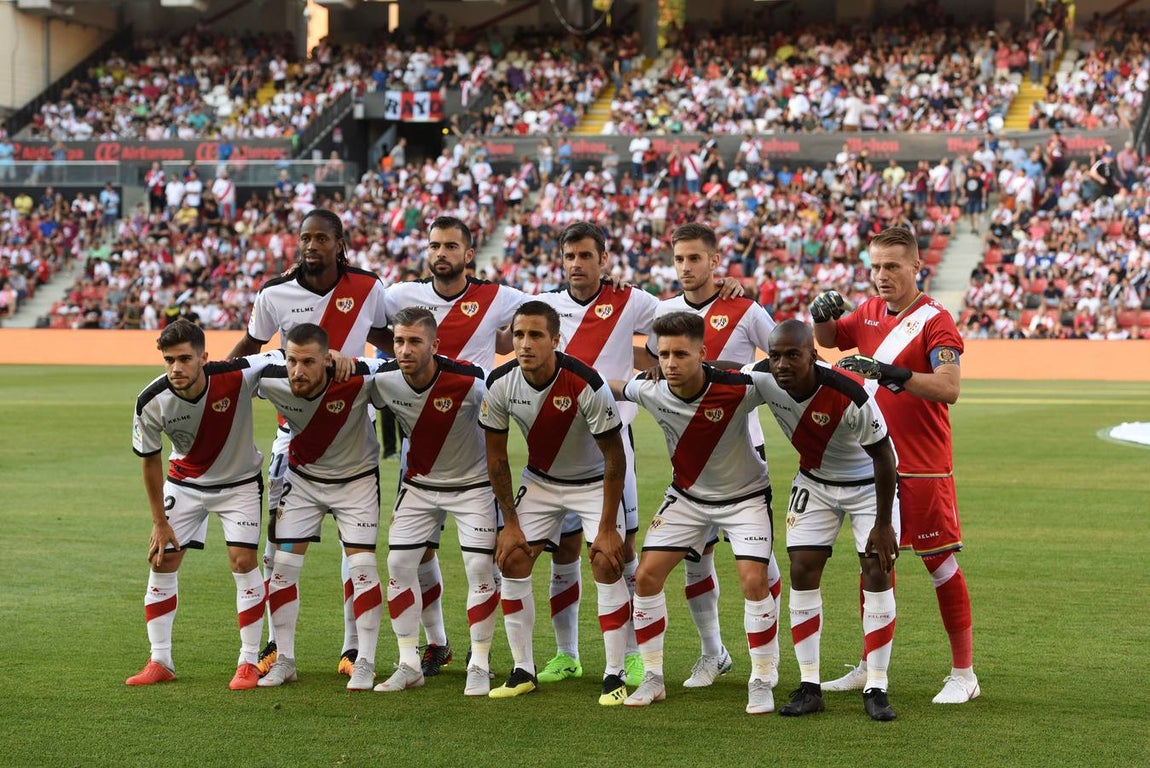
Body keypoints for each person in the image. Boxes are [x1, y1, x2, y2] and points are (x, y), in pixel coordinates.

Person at [812, 226, 978, 704]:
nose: (882, 276)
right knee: (874, 565)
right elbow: (829, 341)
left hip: (922, 465)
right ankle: (870, 666)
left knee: (940, 564)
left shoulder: (935, 321)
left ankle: (964, 674)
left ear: (916, 266)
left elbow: (949, 388)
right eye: (876, 267)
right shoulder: (865, 311)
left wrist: (892, 374)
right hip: (871, 464)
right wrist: (820, 315)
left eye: (892, 267)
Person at [228, 208, 391, 680]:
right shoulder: (274, 292)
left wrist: (369, 366)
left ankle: (352, 648)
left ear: (339, 243)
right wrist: (215, 381)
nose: (311, 246)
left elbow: (384, 337)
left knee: (354, 550)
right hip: (291, 439)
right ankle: (280, 651)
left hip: (350, 435)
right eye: (305, 238)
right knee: (278, 553)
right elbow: (251, 346)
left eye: (322, 238)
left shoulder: (367, 286)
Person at [383, 215, 530, 677]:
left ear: (469, 254)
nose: (440, 253)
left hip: (473, 440)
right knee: (417, 554)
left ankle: (481, 655)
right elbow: (366, 321)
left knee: (479, 563)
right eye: (434, 245)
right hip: (421, 451)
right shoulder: (401, 296)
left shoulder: (497, 296)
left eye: (450, 246)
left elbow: (552, 311)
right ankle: (437, 644)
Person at [613, 312, 779, 714]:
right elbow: (613, 387)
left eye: (681, 355)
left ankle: (762, 679)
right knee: (646, 575)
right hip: (687, 498)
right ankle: (653, 678)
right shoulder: (650, 389)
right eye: (664, 354)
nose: (670, 363)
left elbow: (783, 372)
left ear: (702, 354)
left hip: (745, 497)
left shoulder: (739, 387)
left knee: (753, 579)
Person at [648, 222, 780, 690]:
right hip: (689, 453)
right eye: (679, 259)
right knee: (694, 557)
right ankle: (712, 653)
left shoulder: (744, 308)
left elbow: (780, 355)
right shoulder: (661, 310)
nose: (686, 267)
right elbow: (652, 368)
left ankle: (769, 661)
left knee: (761, 567)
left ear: (714, 260)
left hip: (743, 448)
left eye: (695, 258)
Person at [748, 320, 899, 721]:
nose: (782, 363)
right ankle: (810, 685)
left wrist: (884, 525)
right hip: (814, 483)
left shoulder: (849, 393)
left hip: (869, 484)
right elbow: (724, 372)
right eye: (775, 355)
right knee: (802, 569)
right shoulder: (763, 377)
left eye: (793, 355)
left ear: (813, 355)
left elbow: (886, 458)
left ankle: (877, 686)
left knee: (876, 570)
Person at [480, 302, 630, 704]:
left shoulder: (586, 383)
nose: (525, 344)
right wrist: (509, 523)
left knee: (604, 559)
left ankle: (614, 674)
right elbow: (496, 458)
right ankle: (523, 670)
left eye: (535, 335)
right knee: (512, 557)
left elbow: (615, 458)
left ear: (555, 340)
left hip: (593, 482)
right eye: (518, 335)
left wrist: (607, 527)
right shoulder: (500, 383)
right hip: (541, 482)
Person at [531, 221, 659, 688]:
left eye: (587, 255)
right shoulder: (545, 307)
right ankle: (567, 656)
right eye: (570, 256)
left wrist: (653, 367)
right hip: (555, 446)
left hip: (610, 445)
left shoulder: (632, 300)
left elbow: (681, 322)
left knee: (619, 548)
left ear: (604, 260)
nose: (577, 264)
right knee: (563, 551)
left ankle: (632, 657)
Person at [127, 320, 280, 691]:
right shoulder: (151, 400)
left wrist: (333, 358)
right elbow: (150, 461)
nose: (176, 368)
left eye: (184, 359)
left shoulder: (238, 373)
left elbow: (287, 354)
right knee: (163, 559)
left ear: (204, 358)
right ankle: (160, 659)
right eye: (169, 360)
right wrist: (159, 521)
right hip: (185, 484)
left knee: (243, 562)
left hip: (240, 484)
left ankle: (247, 662)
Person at [367, 307, 498, 696]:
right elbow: (347, 376)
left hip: (473, 485)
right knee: (398, 564)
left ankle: (480, 662)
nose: (404, 350)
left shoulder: (471, 381)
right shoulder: (384, 378)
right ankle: (409, 663)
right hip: (420, 486)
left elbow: (505, 411)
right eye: (399, 341)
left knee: (478, 567)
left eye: (414, 342)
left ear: (435, 345)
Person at [255, 323, 384, 692]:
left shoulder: (359, 376)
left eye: (309, 362)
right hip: (304, 481)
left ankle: (365, 661)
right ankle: (285, 660)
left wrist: (354, 359)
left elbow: (403, 369)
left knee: (362, 569)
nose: (298, 371)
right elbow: (233, 371)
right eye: (292, 360)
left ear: (328, 359)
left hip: (356, 483)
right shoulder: (272, 378)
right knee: (282, 569)